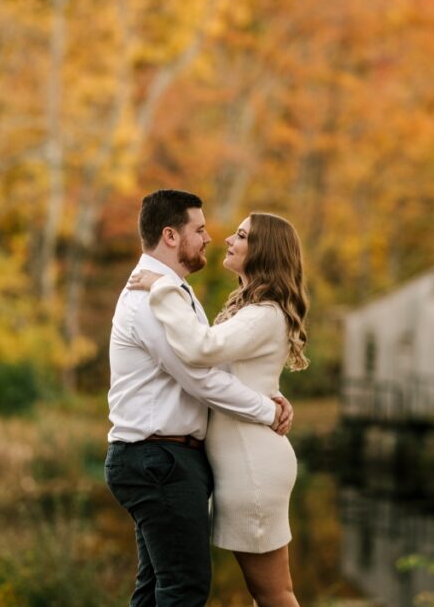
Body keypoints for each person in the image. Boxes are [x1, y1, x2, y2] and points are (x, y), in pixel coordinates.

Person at [105, 189, 295, 607]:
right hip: (159, 458)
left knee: (162, 587)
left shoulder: (173, 291)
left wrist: (273, 394)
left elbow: (223, 365)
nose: (213, 237)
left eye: (238, 234)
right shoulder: (152, 296)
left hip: (171, 459)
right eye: (200, 229)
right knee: (183, 588)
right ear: (171, 237)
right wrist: (268, 409)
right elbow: (201, 377)